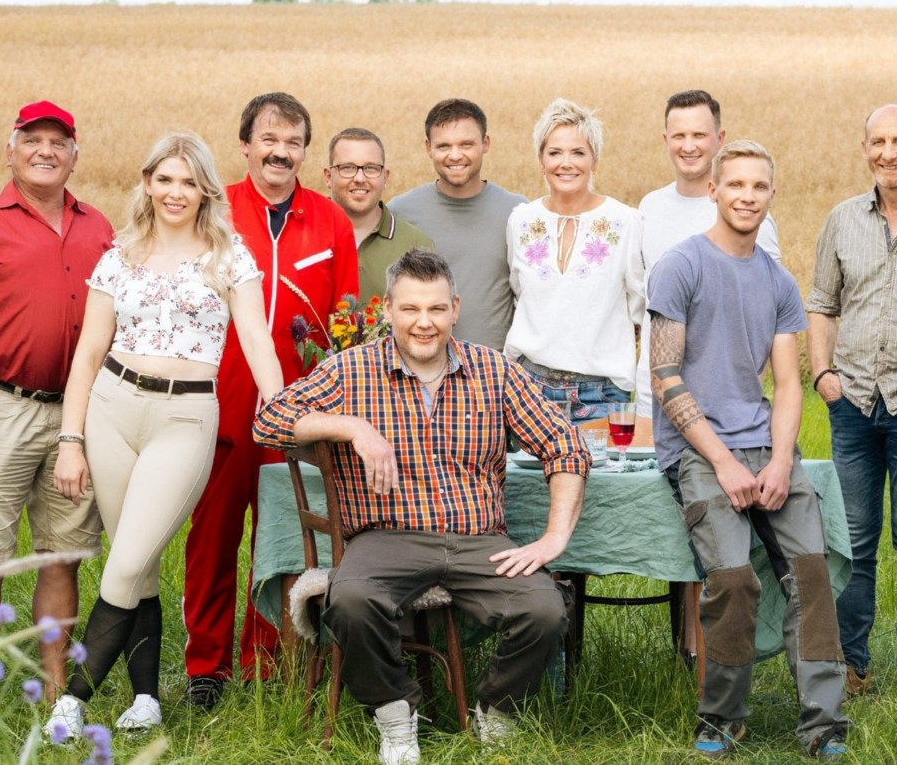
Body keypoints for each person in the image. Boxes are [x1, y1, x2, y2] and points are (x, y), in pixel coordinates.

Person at [252, 248, 589, 765]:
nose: (424, 323)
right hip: (387, 537)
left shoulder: (495, 371)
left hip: (480, 540)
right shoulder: (352, 369)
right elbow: (269, 420)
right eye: (410, 309)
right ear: (387, 310)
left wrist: (554, 538)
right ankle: (395, 715)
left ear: (455, 308)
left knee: (544, 610)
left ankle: (495, 711)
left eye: (435, 309)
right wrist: (353, 426)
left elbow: (565, 445)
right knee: (349, 601)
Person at [43, 132, 283, 737]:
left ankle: (72, 702)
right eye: (165, 179)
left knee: (122, 564)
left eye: (189, 181)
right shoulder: (119, 254)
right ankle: (146, 698)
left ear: (206, 189)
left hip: (184, 419)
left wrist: (278, 406)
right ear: (147, 183)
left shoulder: (231, 257)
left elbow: (256, 340)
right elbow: (89, 353)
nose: (176, 192)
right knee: (140, 564)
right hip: (111, 410)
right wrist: (71, 440)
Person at [649, 141, 847, 759]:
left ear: (771, 195)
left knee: (811, 574)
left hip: (765, 445)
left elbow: (789, 384)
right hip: (698, 450)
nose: (746, 196)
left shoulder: (778, 281)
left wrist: (782, 460)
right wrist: (725, 461)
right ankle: (722, 717)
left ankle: (824, 725)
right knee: (734, 581)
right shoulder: (679, 267)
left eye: (758, 187)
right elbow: (665, 377)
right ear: (714, 190)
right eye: (734, 185)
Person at [0, 101, 113, 702]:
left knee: (63, 556)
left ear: (74, 155)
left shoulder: (99, 228)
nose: (45, 151)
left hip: (77, 413)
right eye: (32, 140)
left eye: (58, 142)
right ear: (9, 149)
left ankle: (56, 690)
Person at [182, 93, 358, 707]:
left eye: (294, 142)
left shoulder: (330, 220)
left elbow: (344, 324)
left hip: (298, 411)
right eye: (269, 139)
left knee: (282, 537)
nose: (281, 152)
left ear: (306, 151)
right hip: (220, 401)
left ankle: (267, 662)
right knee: (213, 537)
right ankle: (206, 669)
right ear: (246, 146)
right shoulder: (214, 210)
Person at [806, 105, 897, 697]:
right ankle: (852, 665)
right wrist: (822, 375)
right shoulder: (841, 220)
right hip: (853, 401)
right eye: (879, 142)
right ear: (865, 148)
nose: (890, 152)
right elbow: (820, 302)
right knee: (855, 541)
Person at [635, 90, 780, 418]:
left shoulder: (749, 215)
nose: (689, 146)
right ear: (665, 139)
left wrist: (747, 396)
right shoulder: (649, 208)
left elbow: (767, 316)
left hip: (724, 408)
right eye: (679, 136)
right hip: (651, 402)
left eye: (699, 135)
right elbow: (641, 301)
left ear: (720, 138)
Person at [504, 99, 644, 421]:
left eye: (578, 152)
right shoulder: (521, 220)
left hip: (602, 393)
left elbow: (638, 307)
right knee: (526, 475)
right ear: (541, 160)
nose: (566, 163)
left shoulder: (625, 222)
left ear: (595, 160)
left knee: (603, 473)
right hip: (528, 388)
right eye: (555, 153)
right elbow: (519, 292)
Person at [390, 99, 525, 350]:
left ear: (485, 143)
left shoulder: (518, 213)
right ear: (428, 148)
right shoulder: (400, 212)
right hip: (420, 368)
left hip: (495, 369)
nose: (455, 155)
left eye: (466, 144)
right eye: (443, 146)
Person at [323, 127, 434, 302]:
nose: (360, 178)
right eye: (347, 168)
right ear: (328, 177)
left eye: (371, 168)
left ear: (385, 177)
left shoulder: (417, 245)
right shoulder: (298, 234)